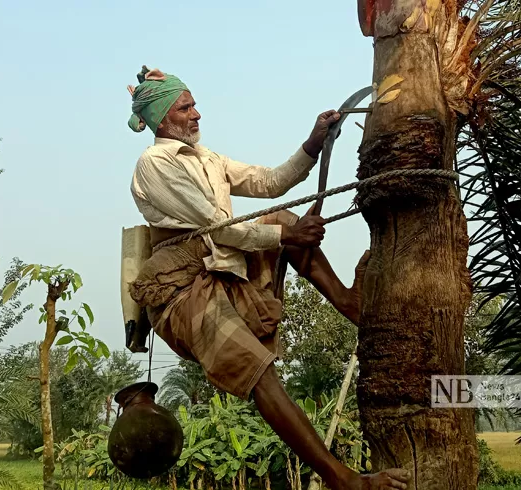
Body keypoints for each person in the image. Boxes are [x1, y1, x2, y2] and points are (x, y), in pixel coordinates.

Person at [126, 66, 409, 490]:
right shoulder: (154, 164)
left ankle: (349, 303)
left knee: (278, 216)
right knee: (262, 376)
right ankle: (343, 479)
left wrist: (312, 144)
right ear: (162, 118)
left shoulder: (208, 159)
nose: (197, 113)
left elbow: (270, 183)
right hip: (182, 289)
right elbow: (217, 226)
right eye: (186, 107)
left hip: (220, 267)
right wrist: (288, 234)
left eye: (194, 104)